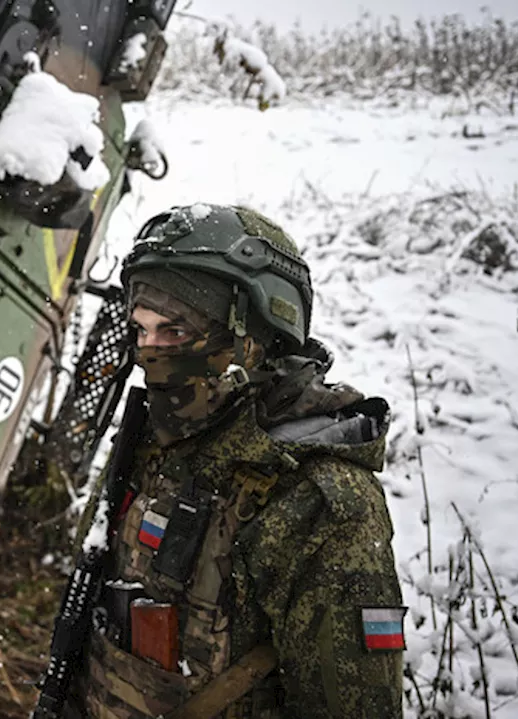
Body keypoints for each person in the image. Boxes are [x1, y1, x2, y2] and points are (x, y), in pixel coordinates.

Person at [71, 204, 405, 718]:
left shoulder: (320, 504)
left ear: (255, 338)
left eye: (175, 332)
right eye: (141, 330)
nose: (150, 352)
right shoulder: (162, 444)